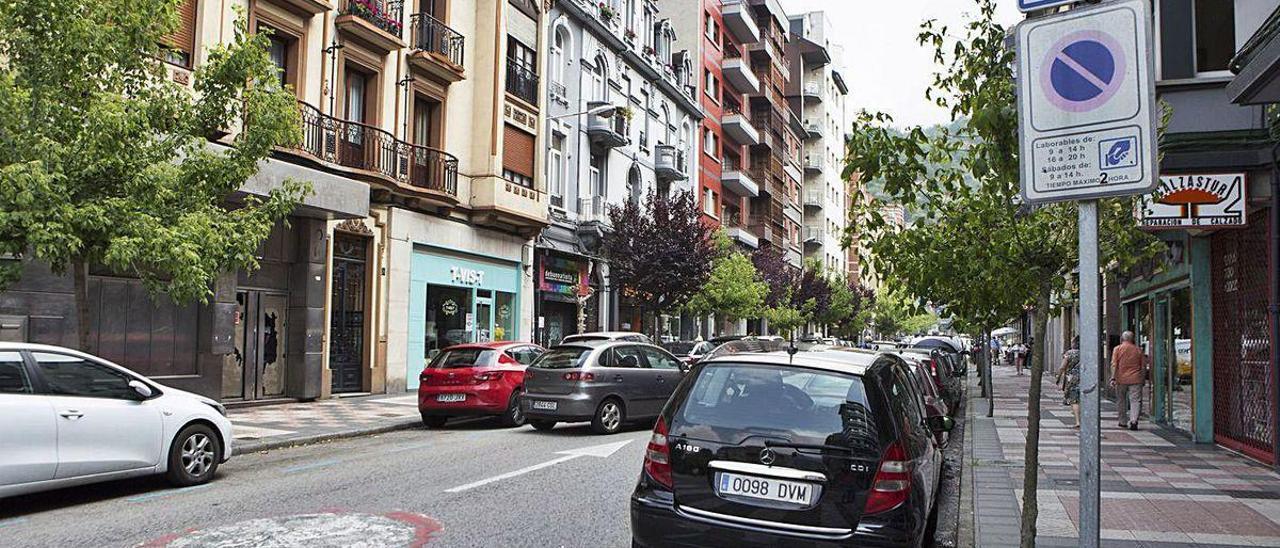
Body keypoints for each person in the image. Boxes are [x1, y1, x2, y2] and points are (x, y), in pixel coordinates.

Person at [1110, 331, 1147, 430]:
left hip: (1121, 379)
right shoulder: (1138, 350)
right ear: (1132, 339)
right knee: (1135, 400)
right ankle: (1134, 420)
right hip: (1136, 379)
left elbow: (1114, 364)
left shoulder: (1117, 349)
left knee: (1121, 400)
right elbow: (1143, 367)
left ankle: (1122, 421)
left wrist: (1113, 377)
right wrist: (1143, 379)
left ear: (1122, 338)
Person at [1056, 336, 1082, 429]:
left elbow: (1062, 367)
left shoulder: (1069, 353)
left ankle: (1078, 421)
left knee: (1074, 400)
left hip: (1072, 378)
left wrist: (1058, 378)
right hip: (1086, 378)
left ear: (1074, 344)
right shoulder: (1087, 353)